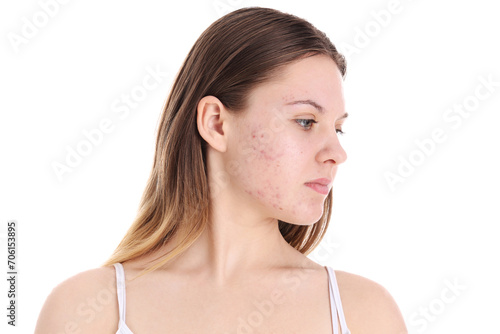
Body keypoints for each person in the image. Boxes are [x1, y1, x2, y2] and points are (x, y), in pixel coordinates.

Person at [35, 7, 407, 334]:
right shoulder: (86, 311)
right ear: (216, 123)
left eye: (337, 128)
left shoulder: (364, 314)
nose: (337, 152)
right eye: (307, 121)